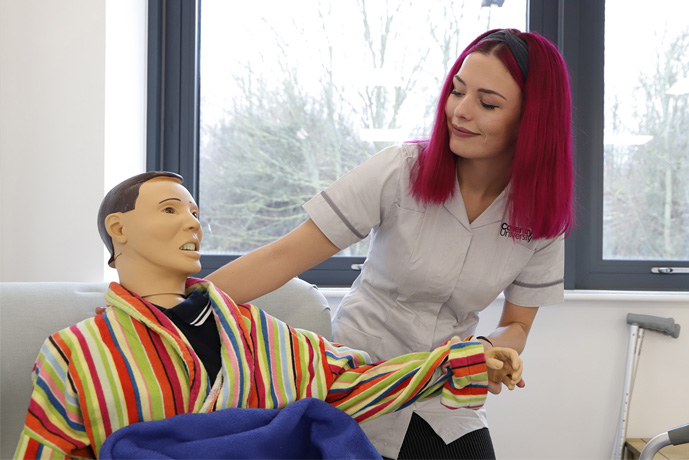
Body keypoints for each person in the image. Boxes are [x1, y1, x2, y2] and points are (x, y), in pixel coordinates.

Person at [207, 28, 572, 459]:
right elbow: (285, 256)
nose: (460, 111)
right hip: (359, 379)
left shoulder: (541, 215)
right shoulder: (402, 170)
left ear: (532, 119)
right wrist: (172, 305)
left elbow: (519, 324)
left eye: (487, 103)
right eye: (457, 91)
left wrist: (491, 349)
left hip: (445, 390)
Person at [14, 172, 522, 459]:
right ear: (118, 228)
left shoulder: (259, 334)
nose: (193, 222)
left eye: (194, 212)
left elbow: (359, 381)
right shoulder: (77, 352)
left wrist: (466, 361)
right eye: (171, 209)